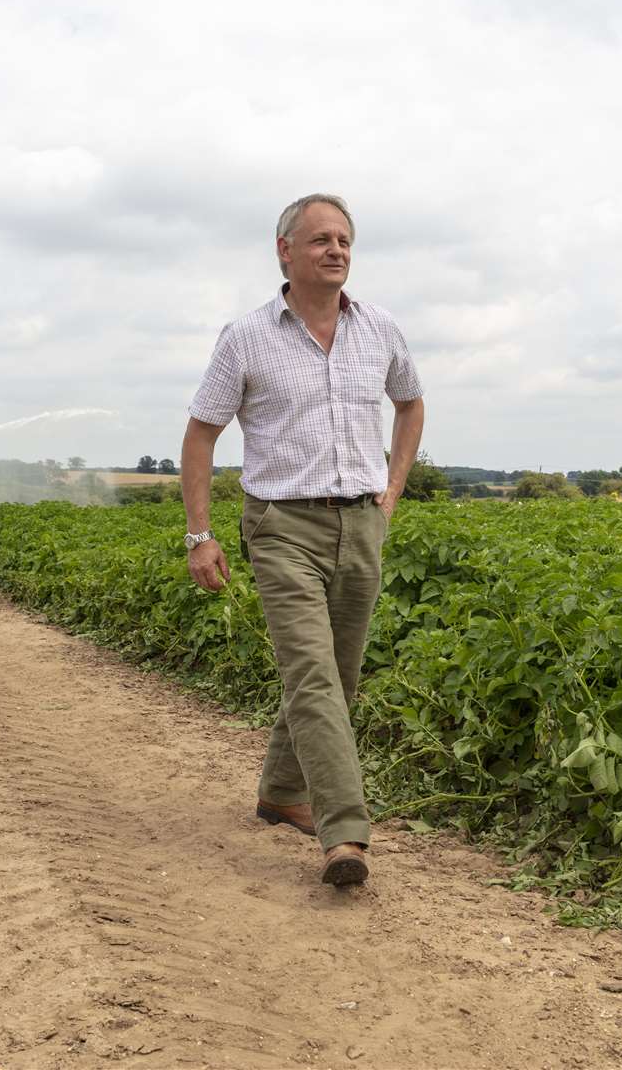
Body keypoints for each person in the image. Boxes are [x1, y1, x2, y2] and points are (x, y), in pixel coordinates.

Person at [180, 193, 425, 887]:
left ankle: (281, 791)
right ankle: (343, 831)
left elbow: (411, 403)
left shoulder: (379, 329)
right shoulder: (248, 337)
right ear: (284, 250)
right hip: (281, 525)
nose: (337, 249)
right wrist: (200, 534)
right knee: (314, 675)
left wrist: (393, 488)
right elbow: (202, 433)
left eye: (345, 239)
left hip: (361, 523)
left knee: (337, 677)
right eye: (320, 238)